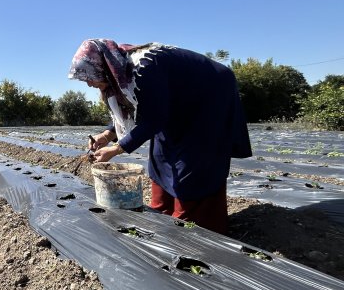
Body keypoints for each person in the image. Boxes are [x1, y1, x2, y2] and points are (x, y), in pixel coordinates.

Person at [68, 39, 252, 233]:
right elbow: (134, 111)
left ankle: (197, 226)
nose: (89, 83)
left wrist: (116, 149)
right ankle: (163, 210)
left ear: (103, 67)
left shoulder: (144, 68)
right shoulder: (123, 73)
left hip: (209, 99)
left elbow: (153, 120)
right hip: (177, 105)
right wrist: (107, 135)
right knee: (159, 155)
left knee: (193, 162)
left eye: (89, 77)